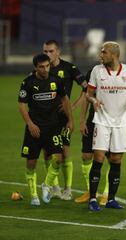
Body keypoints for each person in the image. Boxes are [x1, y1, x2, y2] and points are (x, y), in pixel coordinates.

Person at [86, 41, 126, 211]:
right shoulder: (97, 71)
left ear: (114, 55)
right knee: (99, 158)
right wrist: (94, 100)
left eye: (104, 52)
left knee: (116, 160)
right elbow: (89, 94)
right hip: (101, 120)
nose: (100, 55)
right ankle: (93, 199)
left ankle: (111, 199)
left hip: (121, 122)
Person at [18, 53, 73, 205]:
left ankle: (47, 185)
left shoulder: (57, 81)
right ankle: (34, 195)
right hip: (34, 128)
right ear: (35, 67)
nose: (45, 69)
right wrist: (30, 123)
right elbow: (22, 105)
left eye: (47, 66)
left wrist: (70, 120)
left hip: (53, 127)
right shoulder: (28, 83)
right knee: (31, 163)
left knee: (58, 158)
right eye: (41, 67)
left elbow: (65, 99)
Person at [42, 40, 87, 200]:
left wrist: (72, 107)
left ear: (58, 52)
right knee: (47, 153)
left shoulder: (69, 68)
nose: (47, 54)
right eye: (45, 51)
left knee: (65, 152)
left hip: (63, 118)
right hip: (45, 118)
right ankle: (55, 188)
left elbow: (86, 87)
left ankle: (68, 189)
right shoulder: (41, 70)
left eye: (51, 51)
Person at [74, 68, 111, 206]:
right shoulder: (92, 72)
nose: (102, 57)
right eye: (101, 54)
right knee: (86, 155)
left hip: (110, 122)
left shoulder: (120, 73)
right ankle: (90, 191)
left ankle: (107, 193)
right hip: (93, 119)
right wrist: (82, 120)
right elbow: (85, 97)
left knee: (110, 157)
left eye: (104, 53)